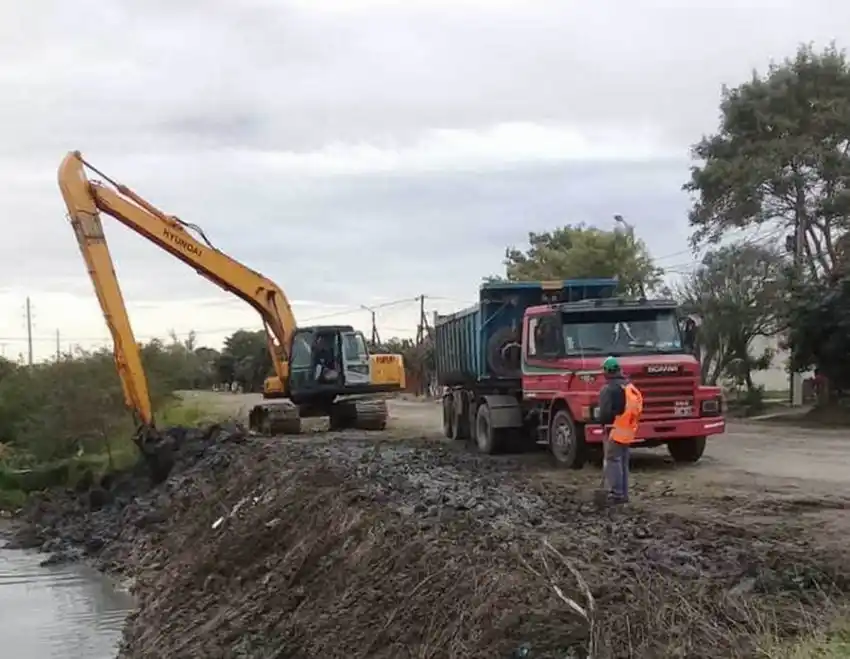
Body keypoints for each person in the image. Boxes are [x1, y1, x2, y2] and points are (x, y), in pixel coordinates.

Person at [598, 355, 643, 504]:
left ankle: (616, 494)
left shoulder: (608, 389)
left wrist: (602, 424)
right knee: (623, 462)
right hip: (628, 430)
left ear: (606, 371)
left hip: (614, 429)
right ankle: (623, 494)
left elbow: (604, 413)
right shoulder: (629, 387)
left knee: (613, 460)